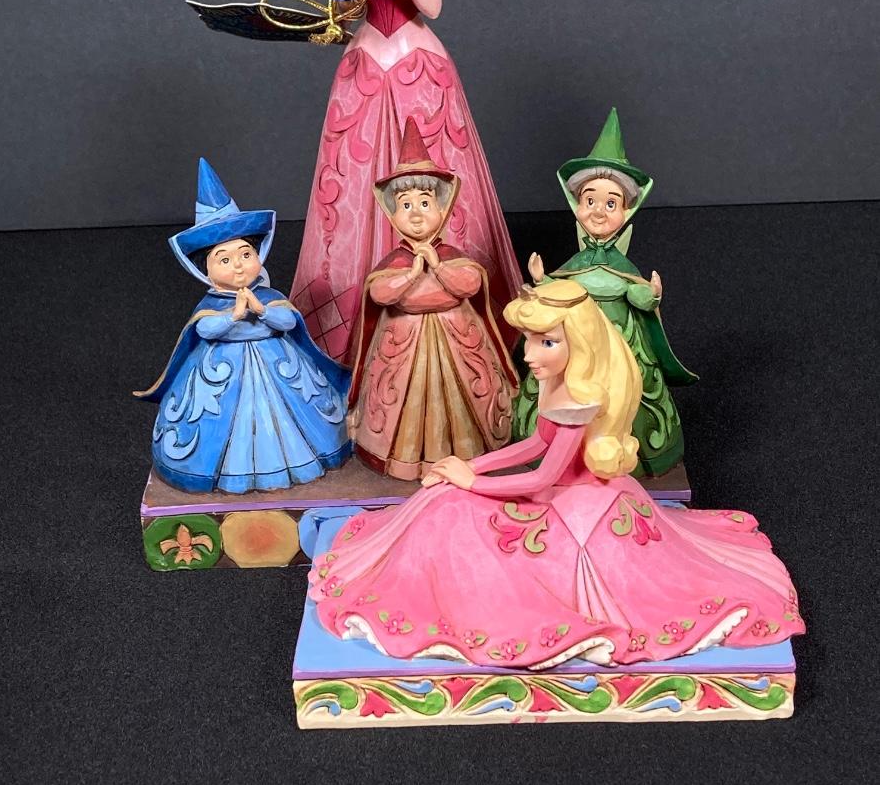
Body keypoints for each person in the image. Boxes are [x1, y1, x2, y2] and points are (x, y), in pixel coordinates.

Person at [309, 279, 803, 670]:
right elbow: (534, 445)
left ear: (579, 345)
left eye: (546, 342)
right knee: (441, 503)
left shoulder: (578, 401)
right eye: (530, 340)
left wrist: (471, 482)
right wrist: (469, 465)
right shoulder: (556, 384)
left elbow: (540, 479)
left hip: (576, 504)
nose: (530, 354)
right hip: (554, 494)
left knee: (457, 511)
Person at [289, 0, 521, 361]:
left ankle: (453, 300)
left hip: (418, 65)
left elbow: (432, 6)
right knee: (354, 177)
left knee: (437, 167)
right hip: (366, 63)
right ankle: (357, 316)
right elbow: (349, 10)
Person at [136, 159, 351, 492]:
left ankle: (300, 460)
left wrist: (262, 311)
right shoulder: (211, 305)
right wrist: (233, 316)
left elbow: (288, 320)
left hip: (278, 362)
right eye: (224, 259)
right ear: (206, 270)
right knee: (220, 423)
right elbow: (205, 330)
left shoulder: (268, 296)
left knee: (297, 415)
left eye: (245, 254)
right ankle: (225, 472)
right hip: (221, 370)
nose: (238, 266)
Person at [513, 108, 696, 476]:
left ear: (626, 211)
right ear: (577, 206)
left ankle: (621, 454)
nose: (598, 212)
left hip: (620, 338)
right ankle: (556, 453)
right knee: (563, 384)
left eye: (611, 203)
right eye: (590, 201)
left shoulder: (622, 267)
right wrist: (542, 281)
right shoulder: (576, 263)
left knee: (625, 389)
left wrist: (650, 295)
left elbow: (634, 295)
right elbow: (563, 292)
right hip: (574, 339)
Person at [348, 117, 518, 481]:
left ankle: (468, 454)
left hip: (459, 340)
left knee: (463, 399)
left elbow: (469, 284)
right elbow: (379, 292)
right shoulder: (395, 262)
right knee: (401, 403)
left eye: (425, 202)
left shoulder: (452, 256)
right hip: (401, 345)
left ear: (443, 208)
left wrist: (437, 266)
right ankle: (404, 459)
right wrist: (412, 274)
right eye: (405, 204)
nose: (416, 213)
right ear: (392, 214)